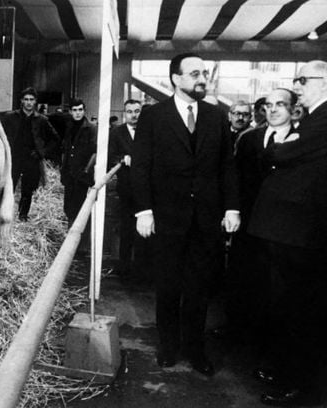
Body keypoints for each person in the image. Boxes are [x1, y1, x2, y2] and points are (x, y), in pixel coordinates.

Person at [130, 52, 240, 376]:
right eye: (194, 74)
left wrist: (231, 207)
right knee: (167, 286)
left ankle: (195, 348)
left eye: (204, 73)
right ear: (175, 79)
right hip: (167, 218)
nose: (202, 79)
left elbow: (227, 167)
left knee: (199, 288)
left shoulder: (216, 116)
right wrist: (144, 211)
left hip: (206, 220)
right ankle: (168, 346)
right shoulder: (153, 116)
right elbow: (141, 167)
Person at [248, 61, 327, 406]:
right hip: (293, 230)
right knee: (287, 306)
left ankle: (302, 386)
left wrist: (284, 148)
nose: (297, 85)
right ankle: (289, 371)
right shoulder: (317, 118)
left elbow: (283, 152)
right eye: (297, 79)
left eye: (303, 80)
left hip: (304, 232)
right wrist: (289, 146)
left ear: (326, 82)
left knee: (300, 311)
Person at [215, 88, 296, 347]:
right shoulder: (250, 139)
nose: (272, 110)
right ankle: (235, 329)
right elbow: (235, 178)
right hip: (248, 222)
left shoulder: (302, 140)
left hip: (282, 227)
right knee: (240, 277)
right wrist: (232, 210)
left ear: (293, 110)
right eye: (269, 105)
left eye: (280, 105)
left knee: (274, 285)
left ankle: (268, 340)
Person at [1, 87, 59, 221]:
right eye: (26, 99)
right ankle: (5, 216)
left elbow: (55, 139)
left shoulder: (42, 120)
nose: (28, 102)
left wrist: (42, 152)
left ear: (35, 102)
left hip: (32, 159)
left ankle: (22, 216)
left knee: (27, 190)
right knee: (8, 188)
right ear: (21, 101)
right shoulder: (10, 117)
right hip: (14, 158)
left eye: (31, 100)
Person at [108, 99, 141, 278]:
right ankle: (125, 266)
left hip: (145, 188)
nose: (134, 115)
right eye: (130, 111)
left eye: (137, 111)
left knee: (145, 228)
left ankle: (142, 267)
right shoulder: (117, 132)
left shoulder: (147, 131)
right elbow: (111, 155)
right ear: (124, 114)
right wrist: (122, 159)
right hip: (127, 187)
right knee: (127, 226)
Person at [60, 98, 97, 243]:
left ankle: (81, 244)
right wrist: (64, 171)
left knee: (81, 209)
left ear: (84, 110)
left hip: (83, 176)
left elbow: (95, 152)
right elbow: (67, 150)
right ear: (70, 112)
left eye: (80, 110)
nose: (77, 113)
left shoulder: (91, 128)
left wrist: (86, 171)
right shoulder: (69, 127)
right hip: (70, 174)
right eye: (75, 110)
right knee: (69, 207)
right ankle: (70, 240)